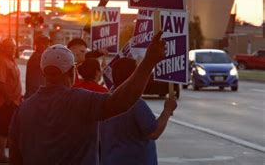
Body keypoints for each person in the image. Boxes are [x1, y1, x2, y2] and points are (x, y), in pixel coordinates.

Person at [9, 32, 166, 165]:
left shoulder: (22, 110)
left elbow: (15, 159)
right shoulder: (81, 101)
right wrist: (148, 63)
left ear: (44, 74)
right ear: (72, 72)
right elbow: (122, 101)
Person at [101, 58, 177, 165]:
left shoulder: (106, 99)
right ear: (133, 76)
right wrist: (167, 110)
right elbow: (153, 132)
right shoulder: (134, 102)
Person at [0, 38, 22, 163]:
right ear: (4, 48)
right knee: (2, 129)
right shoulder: (2, 61)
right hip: (5, 103)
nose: (13, 49)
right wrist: (8, 99)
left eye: (14, 47)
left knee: (8, 129)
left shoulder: (11, 61)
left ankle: (2, 154)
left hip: (14, 101)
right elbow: (0, 82)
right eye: (10, 47)